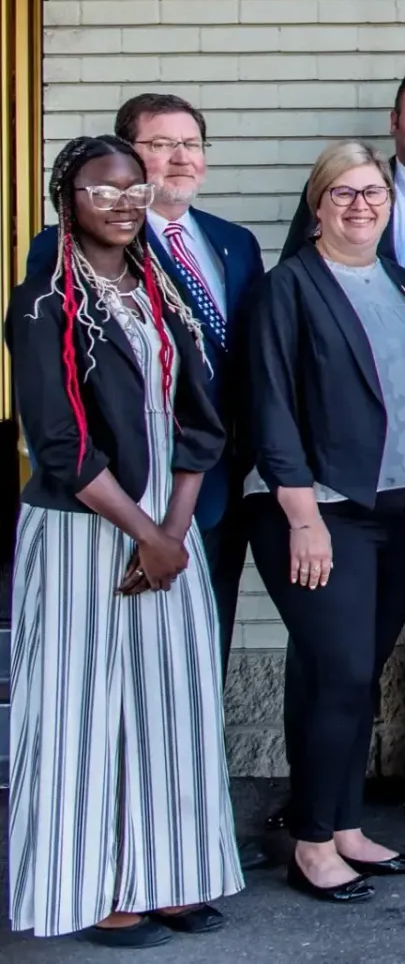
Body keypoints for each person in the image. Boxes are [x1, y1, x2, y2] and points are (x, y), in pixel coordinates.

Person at [7, 136, 242, 945]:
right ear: (65, 198)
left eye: (133, 189)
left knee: (170, 705)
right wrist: (145, 533)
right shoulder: (43, 302)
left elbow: (201, 422)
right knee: (84, 712)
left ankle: (171, 874)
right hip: (85, 531)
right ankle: (96, 883)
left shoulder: (160, 291)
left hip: (165, 532)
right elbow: (62, 444)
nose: (119, 203)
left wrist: (174, 533)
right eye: (99, 190)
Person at [282, 60, 405, 826]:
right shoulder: (348, 197)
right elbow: (294, 342)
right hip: (347, 474)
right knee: (335, 649)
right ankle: (322, 802)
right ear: (397, 123)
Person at [247, 142, 405, 903]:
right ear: (317, 203)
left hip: (401, 510)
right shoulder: (288, 287)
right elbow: (269, 407)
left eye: (373, 193)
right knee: (342, 672)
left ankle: (347, 824)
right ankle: (314, 842)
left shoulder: (402, 280)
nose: (361, 205)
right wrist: (301, 514)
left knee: (352, 678)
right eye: (344, 194)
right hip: (320, 510)